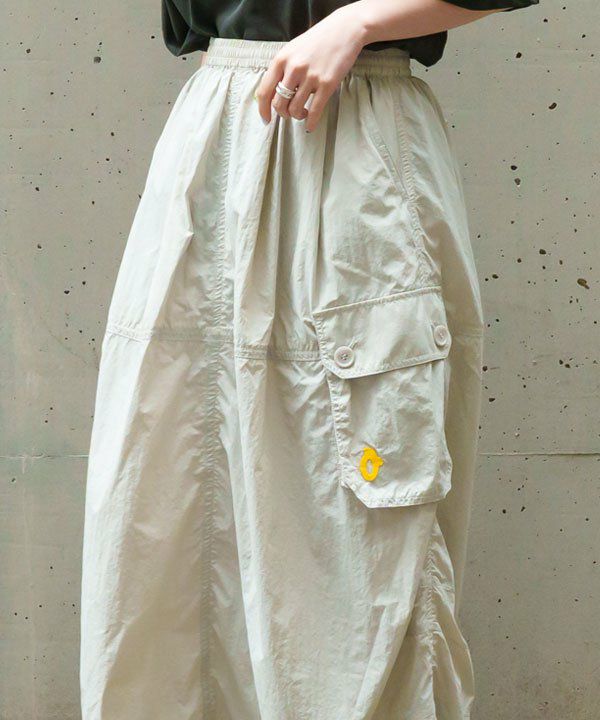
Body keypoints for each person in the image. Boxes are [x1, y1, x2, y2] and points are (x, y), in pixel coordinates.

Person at [80, 1, 539, 718]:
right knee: (167, 521)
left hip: (356, 144)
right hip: (211, 148)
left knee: (358, 558)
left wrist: (360, 22)